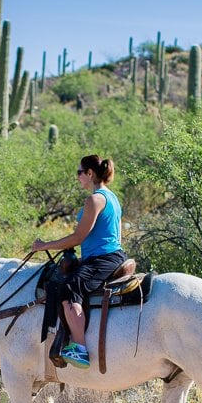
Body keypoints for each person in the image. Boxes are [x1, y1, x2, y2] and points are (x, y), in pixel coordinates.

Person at [32, 155, 126, 369]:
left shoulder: (94, 200)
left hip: (103, 259)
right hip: (111, 256)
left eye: (79, 172)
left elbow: (77, 237)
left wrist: (44, 245)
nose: (78, 177)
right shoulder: (112, 197)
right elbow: (113, 237)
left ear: (90, 173)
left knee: (69, 288)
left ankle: (80, 348)